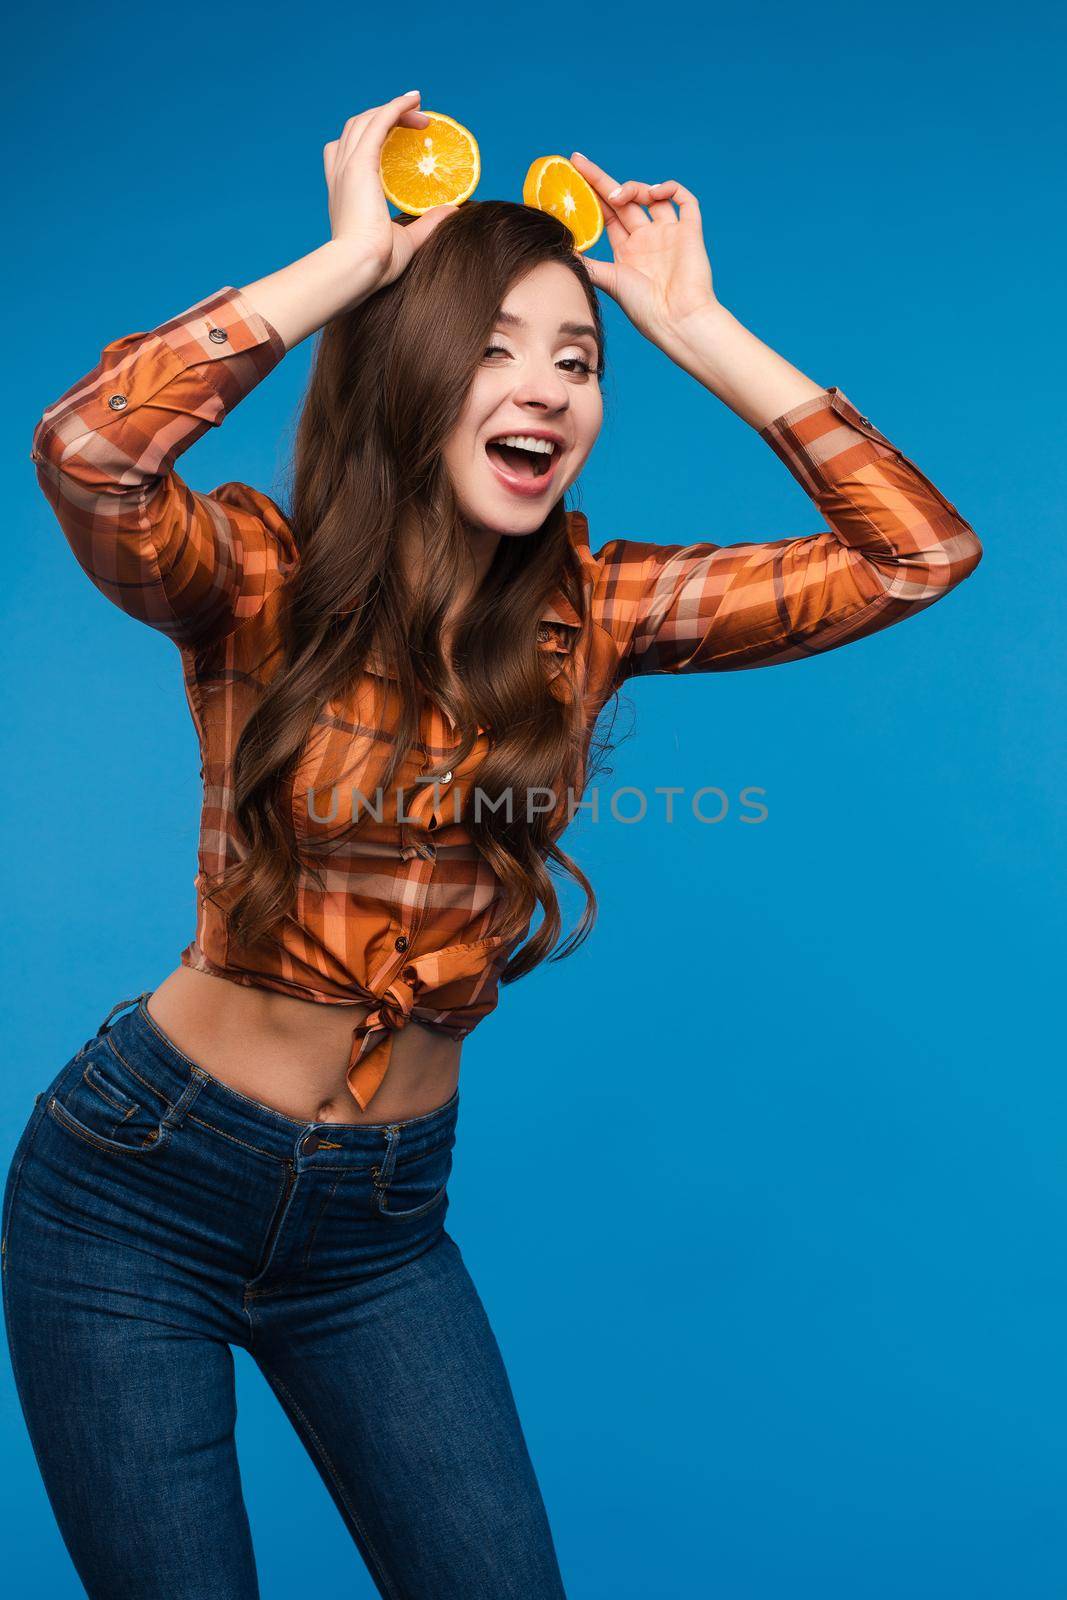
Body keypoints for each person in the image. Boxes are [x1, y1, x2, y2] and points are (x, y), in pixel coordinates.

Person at [2, 88, 982, 1600]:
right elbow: (89, 451)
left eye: (575, 362)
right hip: (135, 1189)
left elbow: (914, 555)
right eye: (489, 351)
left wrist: (696, 327)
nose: (543, 391)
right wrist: (347, 265)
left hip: (380, 1228)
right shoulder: (256, 577)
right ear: (405, 373)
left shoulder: (600, 607)